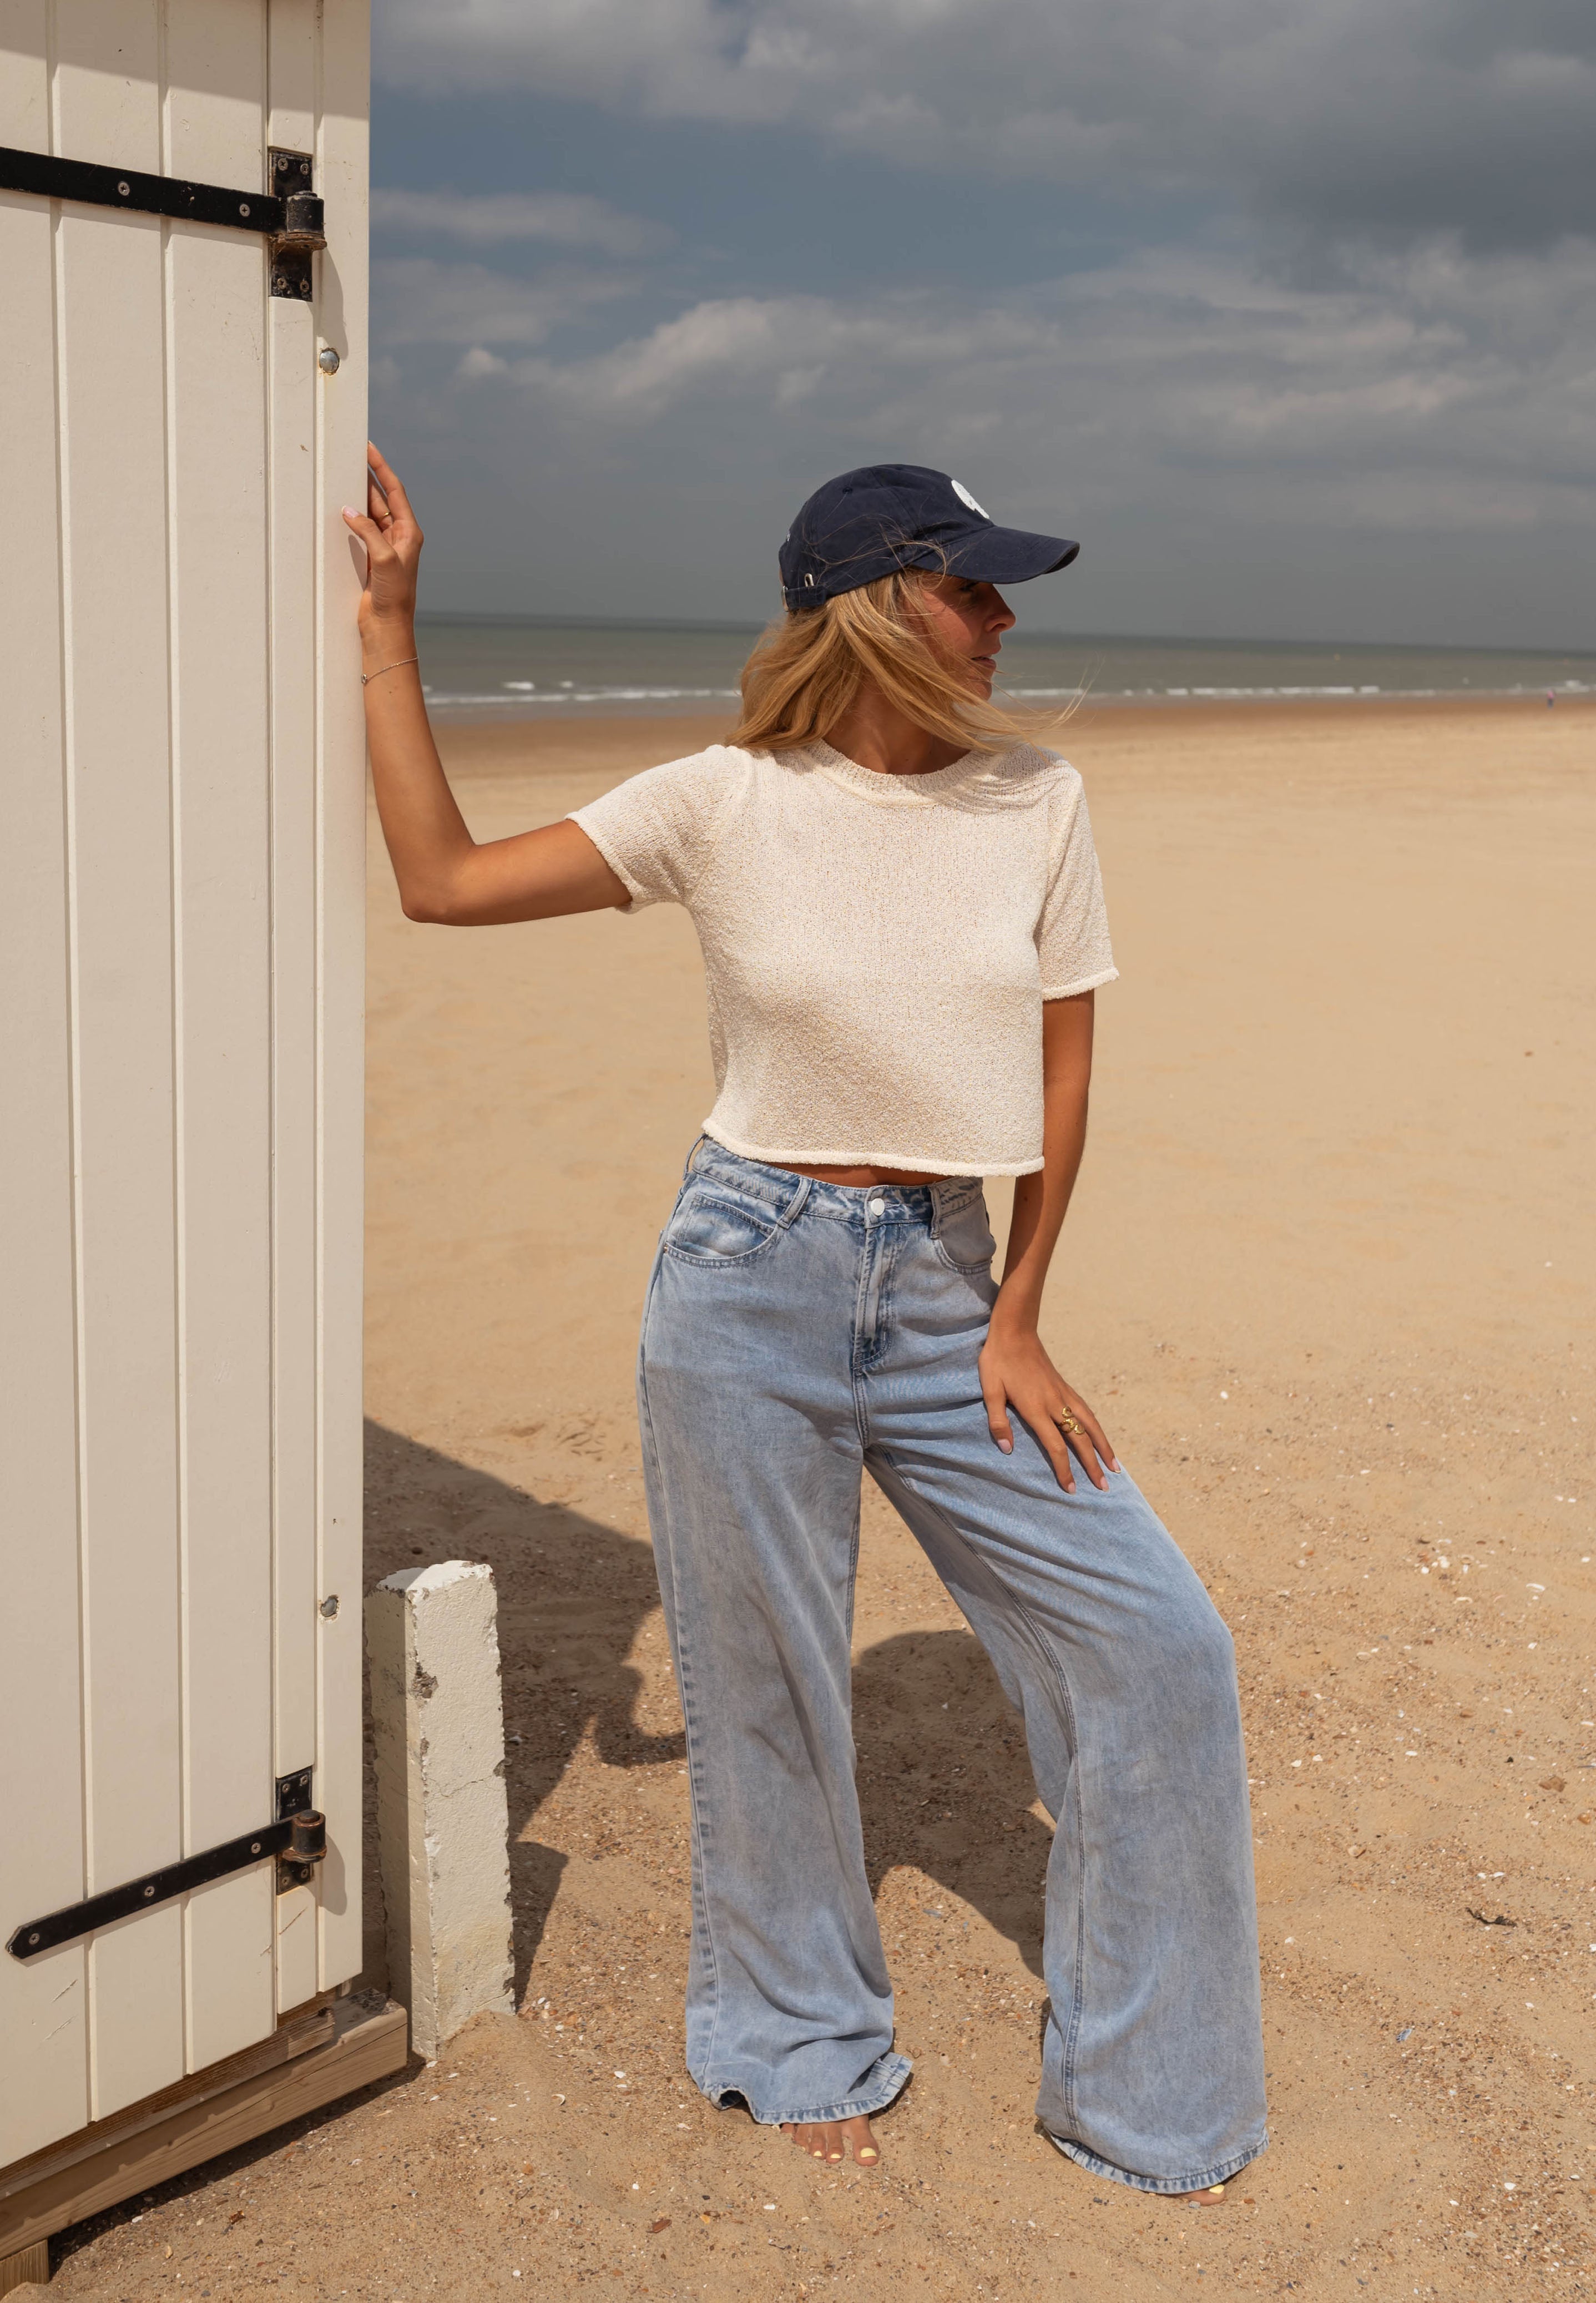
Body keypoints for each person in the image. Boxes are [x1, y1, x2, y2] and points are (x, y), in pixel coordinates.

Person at [344, 453, 1268, 2204]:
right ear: (873, 607)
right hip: (743, 1277)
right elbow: (444, 885)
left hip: (948, 1288)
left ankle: (1155, 2095)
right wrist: (390, 628)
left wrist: (1021, 1315)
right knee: (767, 1688)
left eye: (1001, 594)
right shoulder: (720, 803)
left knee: (1160, 1652)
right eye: (972, 589)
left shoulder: (1038, 800)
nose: (1001, 621)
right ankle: (796, 2037)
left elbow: (1067, 1076)